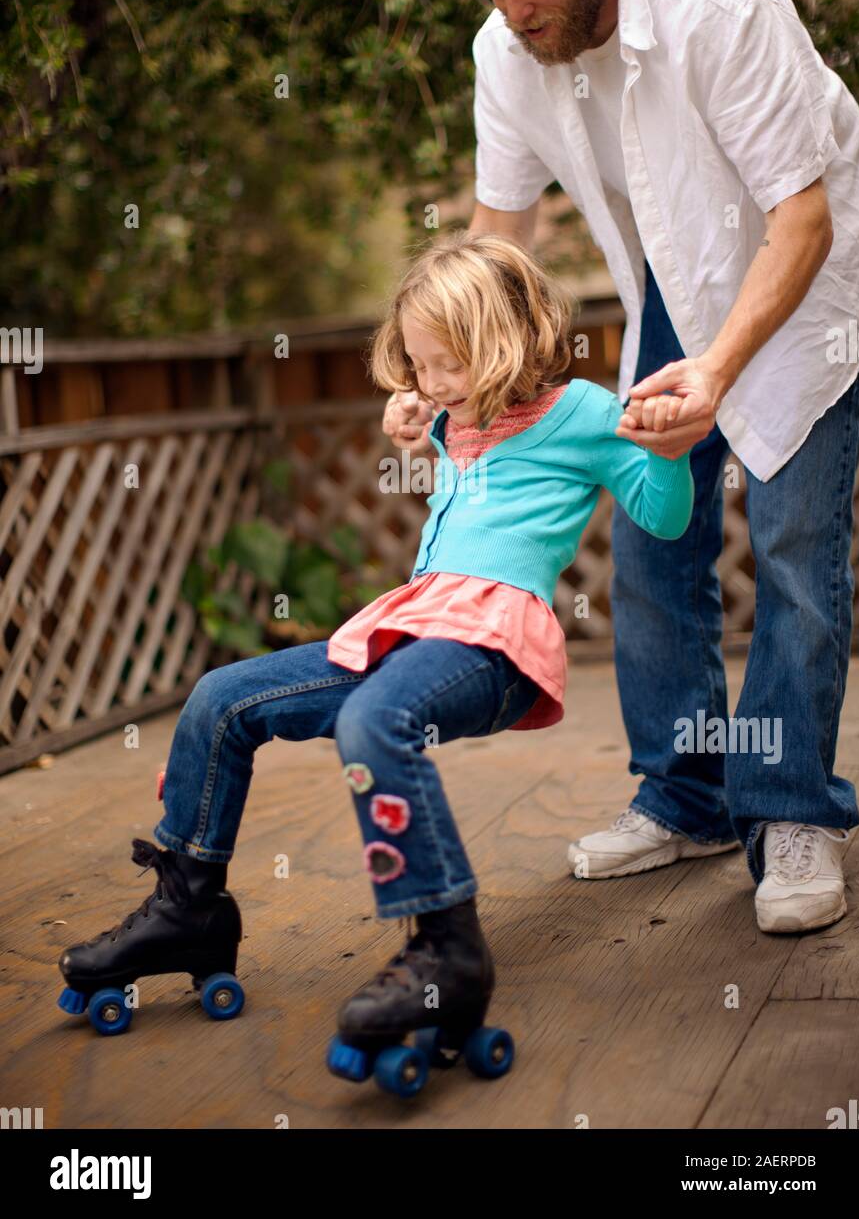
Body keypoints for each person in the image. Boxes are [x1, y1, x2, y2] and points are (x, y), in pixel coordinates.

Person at [58, 231, 694, 1061]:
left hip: (494, 642)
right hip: (411, 623)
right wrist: (412, 415)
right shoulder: (454, 410)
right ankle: (189, 906)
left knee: (374, 721)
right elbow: (430, 423)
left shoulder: (580, 411)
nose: (430, 384)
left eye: (446, 366)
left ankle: (447, 948)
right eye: (417, 365)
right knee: (221, 698)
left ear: (509, 343)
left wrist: (674, 454)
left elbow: (665, 514)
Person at [384, 0, 859, 933]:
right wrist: (443, 375)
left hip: (809, 273)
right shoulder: (501, 52)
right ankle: (684, 793)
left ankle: (789, 806)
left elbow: (802, 217)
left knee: (790, 545)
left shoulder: (721, 5)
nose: (513, 12)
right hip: (667, 275)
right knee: (652, 540)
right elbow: (497, 244)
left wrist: (719, 369)